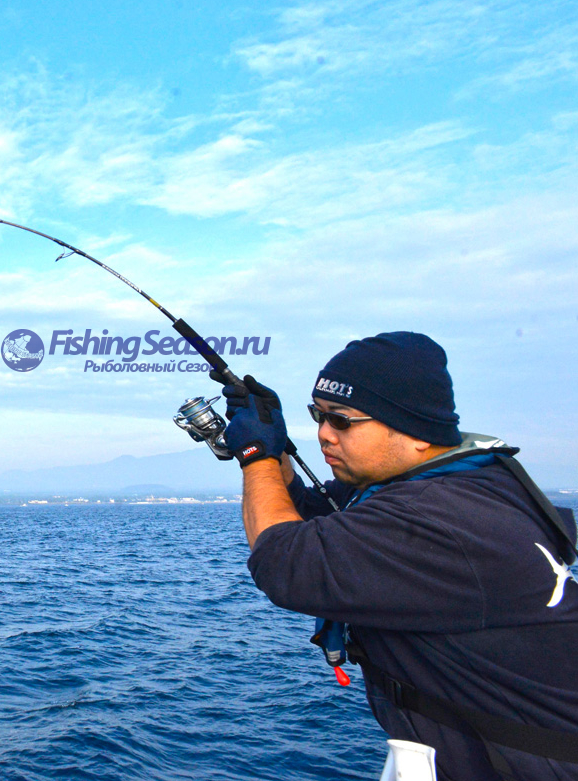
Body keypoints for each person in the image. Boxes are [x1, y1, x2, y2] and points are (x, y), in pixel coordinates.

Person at [214, 331, 578, 781]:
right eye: (319, 415)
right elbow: (316, 517)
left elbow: (285, 561)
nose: (323, 433)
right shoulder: (453, 485)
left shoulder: (443, 518)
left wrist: (257, 454)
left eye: (341, 420)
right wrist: (276, 446)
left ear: (416, 431)